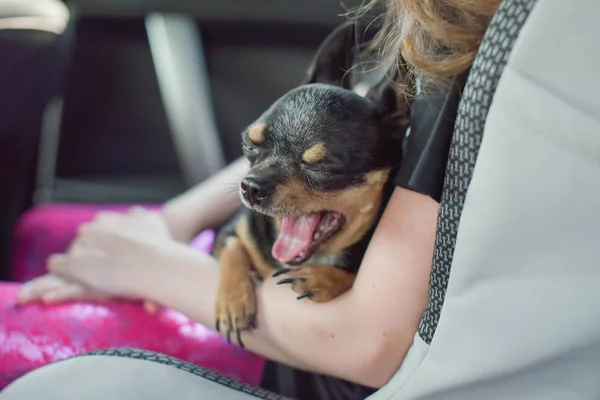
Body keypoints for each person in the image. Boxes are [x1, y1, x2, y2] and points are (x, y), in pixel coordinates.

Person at [6, 0, 503, 399]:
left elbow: (367, 346)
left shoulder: (456, 62)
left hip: (304, 358)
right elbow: (289, 151)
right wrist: (173, 221)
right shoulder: (432, 31)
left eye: (320, 166)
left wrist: (146, 267)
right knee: (39, 229)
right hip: (268, 291)